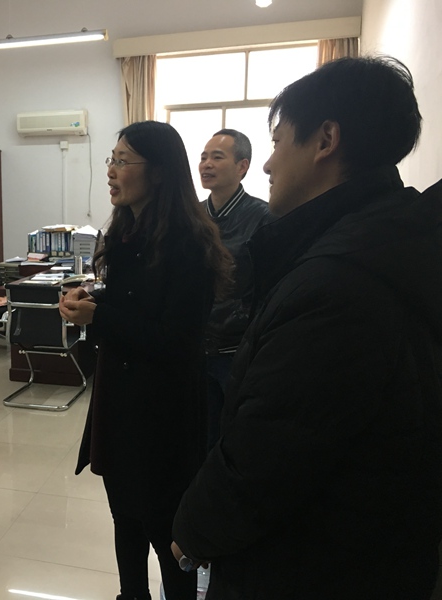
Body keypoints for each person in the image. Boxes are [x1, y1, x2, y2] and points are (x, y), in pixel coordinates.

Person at [171, 56, 442, 599]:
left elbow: (267, 457)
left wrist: (192, 533)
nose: (270, 164)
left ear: (326, 140)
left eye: (277, 143)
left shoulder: (337, 282)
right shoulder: (390, 234)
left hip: (315, 564)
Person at [60, 120, 232, 600]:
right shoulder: (127, 233)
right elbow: (132, 305)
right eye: (111, 160)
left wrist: (100, 317)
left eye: (122, 161)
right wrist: (92, 299)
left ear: (157, 172)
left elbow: (176, 341)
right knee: (125, 519)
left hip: (162, 414)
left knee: (165, 529)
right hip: (119, 403)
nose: (111, 171)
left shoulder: (188, 244)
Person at [198, 129, 270, 450]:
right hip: (195, 347)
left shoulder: (264, 217)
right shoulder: (192, 216)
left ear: (242, 166)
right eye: (203, 157)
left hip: (237, 352)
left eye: (217, 157)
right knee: (199, 438)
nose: (206, 164)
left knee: (236, 439)